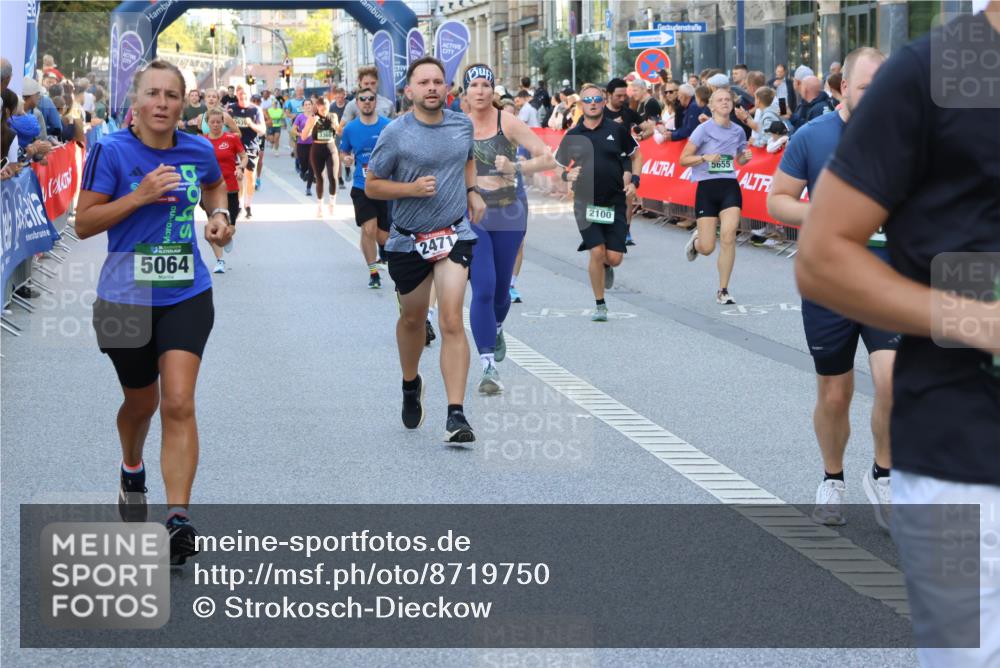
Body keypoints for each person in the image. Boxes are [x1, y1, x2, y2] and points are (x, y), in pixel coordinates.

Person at [797, 5, 1000, 664]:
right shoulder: (933, 71)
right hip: (964, 465)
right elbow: (822, 256)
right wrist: (979, 321)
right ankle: (840, 477)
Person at [74, 60, 232, 565]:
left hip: (186, 292)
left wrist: (219, 214)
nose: (162, 103)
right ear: (136, 101)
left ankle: (178, 517)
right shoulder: (111, 151)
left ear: (184, 103)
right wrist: (139, 196)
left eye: (171, 95)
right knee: (141, 403)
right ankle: (131, 466)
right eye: (152, 94)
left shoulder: (197, 149)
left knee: (179, 402)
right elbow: (83, 223)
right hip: (123, 298)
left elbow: (214, 185)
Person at [767, 47, 895, 528]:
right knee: (835, 393)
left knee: (894, 382)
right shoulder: (813, 135)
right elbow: (778, 200)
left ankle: (884, 474)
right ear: (842, 89)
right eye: (866, 87)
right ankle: (833, 477)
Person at [365, 56, 486, 444]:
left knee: (451, 319)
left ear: (446, 88)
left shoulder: (461, 125)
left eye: (438, 81)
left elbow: (467, 161)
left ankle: (456, 414)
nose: (432, 87)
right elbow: (372, 185)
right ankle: (410, 383)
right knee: (413, 320)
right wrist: (411, 189)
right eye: (424, 82)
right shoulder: (395, 133)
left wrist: (472, 191)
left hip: (453, 233)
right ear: (409, 90)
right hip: (408, 239)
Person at [464, 63, 554, 393]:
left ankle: (498, 325)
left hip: (509, 212)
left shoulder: (508, 122)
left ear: (493, 90)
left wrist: (515, 166)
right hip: (472, 213)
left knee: (502, 291)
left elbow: (547, 158)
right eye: (474, 85)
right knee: (484, 288)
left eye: (486, 85)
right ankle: (488, 365)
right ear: (465, 92)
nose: (480, 91)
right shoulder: (457, 125)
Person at [554, 83, 640, 322]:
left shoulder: (617, 130)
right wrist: (566, 175)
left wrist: (635, 180)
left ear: (603, 102)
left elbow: (635, 155)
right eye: (588, 100)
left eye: (597, 99)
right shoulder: (573, 135)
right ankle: (600, 304)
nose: (592, 104)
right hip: (586, 202)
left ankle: (607, 266)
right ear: (581, 105)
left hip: (615, 201)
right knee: (596, 250)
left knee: (613, 258)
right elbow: (558, 164)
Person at [680, 88, 754, 305]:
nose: (724, 102)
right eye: (719, 100)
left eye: (727, 100)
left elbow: (740, 160)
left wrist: (745, 157)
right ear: (711, 106)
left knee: (729, 236)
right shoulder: (702, 130)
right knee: (708, 247)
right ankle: (697, 243)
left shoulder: (738, 131)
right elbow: (683, 159)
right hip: (707, 188)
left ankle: (723, 290)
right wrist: (704, 158)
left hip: (729, 186)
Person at [339, 88, 391, 288]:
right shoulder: (350, 128)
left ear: (375, 102)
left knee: (383, 236)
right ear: (357, 103)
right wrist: (346, 159)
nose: (367, 102)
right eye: (363, 99)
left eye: (371, 98)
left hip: (385, 186)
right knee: (369, 228)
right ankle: (373, 273)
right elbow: (344, 151)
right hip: (362, 186)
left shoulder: (388, 126)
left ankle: (381, 248)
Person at [203, 108, 246, 273]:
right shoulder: (203, 141)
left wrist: (240, 168)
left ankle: (227, 236)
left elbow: (243, 156)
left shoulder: (231, 138)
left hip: (230, 188)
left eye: (218, 122)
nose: (215, 125)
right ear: (207, 123)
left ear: (223, 123)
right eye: (212, 122)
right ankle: (219, 260)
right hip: (210, 190)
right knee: (213, 225)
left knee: (230, 228)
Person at [227, 85, 265, 218]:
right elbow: (224, 124)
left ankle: (247, 204)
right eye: (240, 94)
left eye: (245, 94)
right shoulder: (231, 108)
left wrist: (251, 124)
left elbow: (263, 130)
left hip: (251, 147)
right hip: (235, 147)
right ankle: (239, 205)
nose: (243, 96)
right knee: (238, 175)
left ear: (248, 95)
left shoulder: (255, 110)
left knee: (250, 178)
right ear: (237, 95)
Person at [301, 96, 339, 217]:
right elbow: (303, 136)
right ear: (317, 107)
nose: (324, 111)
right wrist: (311, 125)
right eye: (322, 109)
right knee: (320, 178)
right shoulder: (312, 118)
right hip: (317, 150)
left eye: (326, 109)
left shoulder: (333, 116)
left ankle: (332, 203)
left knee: (333, 177)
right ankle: (320, 206)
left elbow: (339, 131)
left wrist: (338, 127)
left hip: (331, 149)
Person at [292, 98, 315, 196]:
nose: (308, 106)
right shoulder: (300, 117)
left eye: (309, 104)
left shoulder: (315, 117)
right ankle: (303, 172)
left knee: (312, 166)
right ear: (303, 107)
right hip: (301, 144)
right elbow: (293, 130)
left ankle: (308, 188)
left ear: (312, 106)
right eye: (306, 105)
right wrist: (300, 134)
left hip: (313, 145)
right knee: (304, 165)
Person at [283, 86, 306, 157]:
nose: (300, 92)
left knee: (303, 142)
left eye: (301, 91)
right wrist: (294, 116)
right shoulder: (290, 102)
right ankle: (296, 156)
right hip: (293, 125)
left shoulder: (306, 101)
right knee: (295, 141)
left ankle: (298, 153)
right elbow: (287, 113)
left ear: (303, 92)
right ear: (295, 92)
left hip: (304, 125)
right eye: (298, 91)